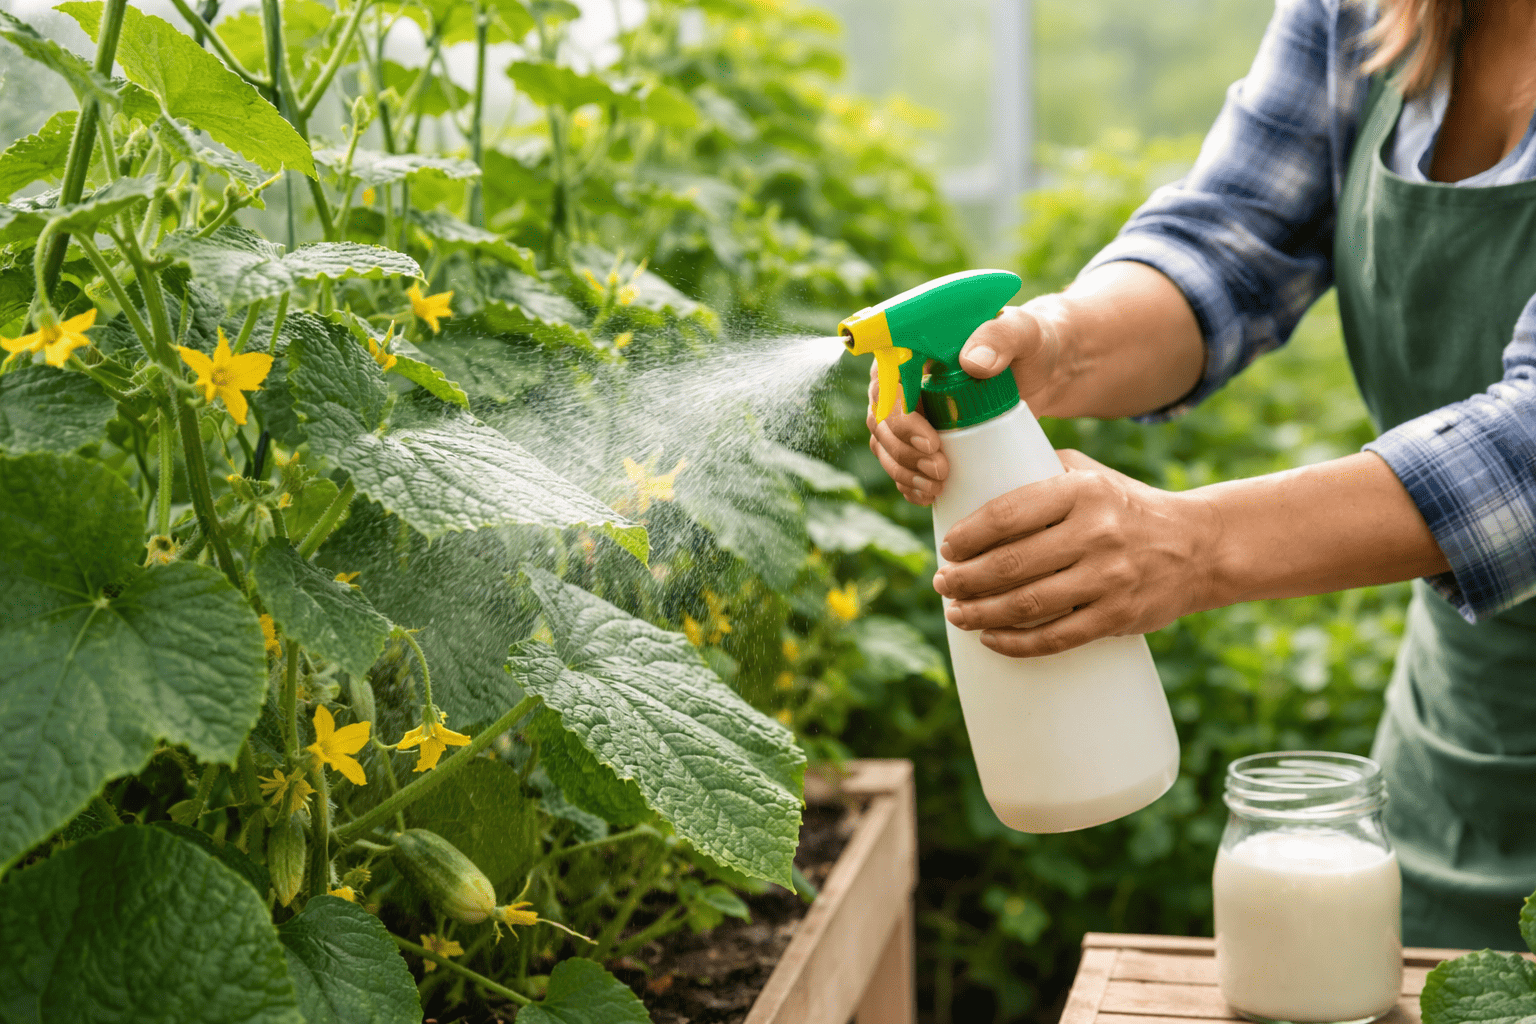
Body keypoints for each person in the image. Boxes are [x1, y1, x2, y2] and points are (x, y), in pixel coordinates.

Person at [867, 0, 1536, 951]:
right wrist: (1052, 346)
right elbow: (1233, 236)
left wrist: (1193, 547)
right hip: (1452, 764)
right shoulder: (1365, 12)